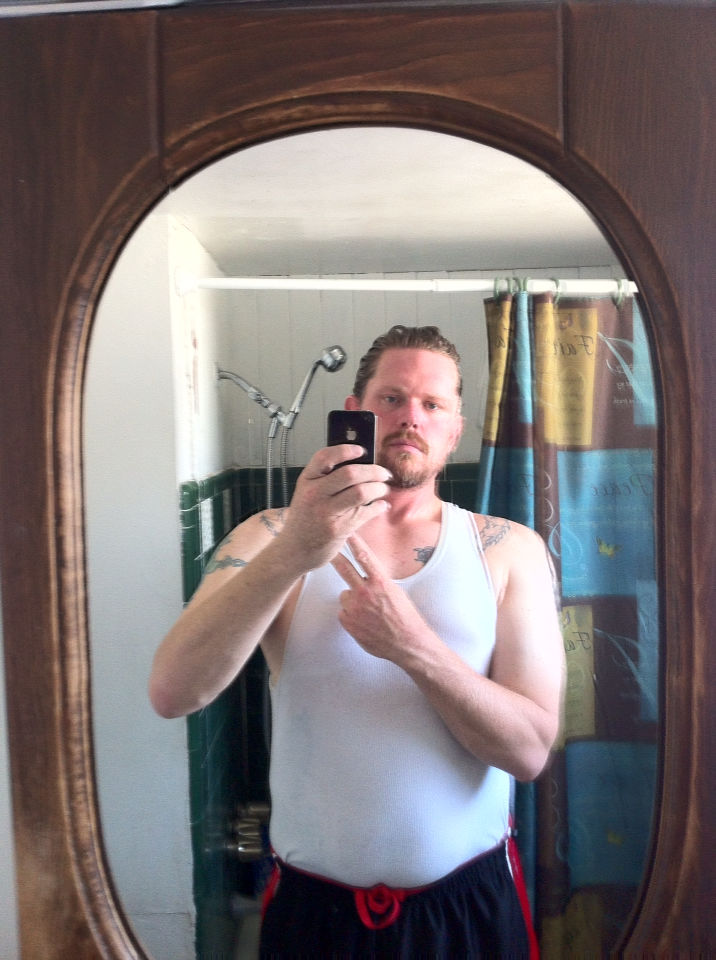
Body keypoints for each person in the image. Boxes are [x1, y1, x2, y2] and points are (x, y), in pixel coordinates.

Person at [149, 325, 564, 958]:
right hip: (313, 914)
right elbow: (173, 692)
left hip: (467, 908)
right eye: (391, 399)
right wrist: (298, 549)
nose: (410, 418)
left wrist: (412, 646)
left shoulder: (508, 550)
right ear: (354, 414)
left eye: (432, 404)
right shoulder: (269, 536)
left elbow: (529, 752)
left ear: (455, 430)